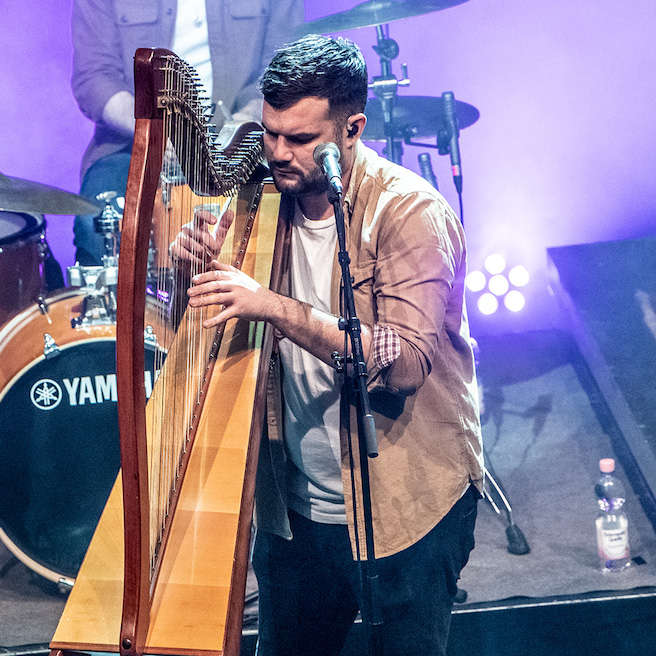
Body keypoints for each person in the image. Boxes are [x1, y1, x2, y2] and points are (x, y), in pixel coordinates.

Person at [182, 35, 484, 656]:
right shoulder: (260, 199)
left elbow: (400, 366)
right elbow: (214, 321)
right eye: (269, 134)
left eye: (298, 139)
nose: (277, 153)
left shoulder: (409, 213)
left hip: (405, 506)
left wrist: (272, 305)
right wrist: (196, 262)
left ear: (352, 128)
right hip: (295, 510)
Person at [70, 0, 304, 265]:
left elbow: (283, 66)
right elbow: (93, 78)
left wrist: (239, 128)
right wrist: (155, 129)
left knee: (295, 211)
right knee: (96, 222)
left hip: (244, 144)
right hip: (131, 142)